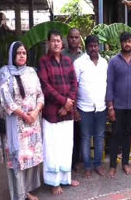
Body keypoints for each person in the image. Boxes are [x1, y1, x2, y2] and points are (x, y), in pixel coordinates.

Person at [0, 41, 44, 200]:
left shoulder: (31, 72)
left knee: (28, 159)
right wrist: (25, 115)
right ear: (12, 55)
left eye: (24, 53)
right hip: (15, 125)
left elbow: (40, 95)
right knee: (16, 160)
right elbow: (6, 100)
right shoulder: (4, 73)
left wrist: (36, 111)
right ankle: (18, 195)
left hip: (32, 123)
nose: (22, 55)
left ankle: (26, 192)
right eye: (18, 53)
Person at [37, 30, 79, 195]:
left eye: (58, 41)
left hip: (67, 113)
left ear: (62, 44)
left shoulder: (68, 61)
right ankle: (54, 183)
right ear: (48, 43)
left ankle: (65, 179)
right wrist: (64, 102)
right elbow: (45, 86)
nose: (56, 43)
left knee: (65, 146)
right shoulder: (44, 61)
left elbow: (74, 83)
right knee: (52, 147)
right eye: (53, 41)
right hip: (52, 113)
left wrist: (68, 104)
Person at [106, 32, 131, 178]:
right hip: (117, 106)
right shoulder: (114, 61)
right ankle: (113, 165)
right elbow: (110, 84)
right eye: (124, 42)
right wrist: (110, 107)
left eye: (129, 41)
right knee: (115, 136)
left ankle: (125, 163)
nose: (127, 44)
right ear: (120, 43)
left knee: (127, 135)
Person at [74, 35, 107, 179]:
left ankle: (98, 165)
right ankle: (87, 166)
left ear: (98, 46)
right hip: (84, 107)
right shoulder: (79, 63)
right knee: (86, 137)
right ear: (86, 46)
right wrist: (74, 108)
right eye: (91, 46)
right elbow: (74, 86)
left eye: (95, 45)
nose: (93, 48)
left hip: (101, 107)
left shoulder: (105, 63)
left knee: (99, 137)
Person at [61, 28, 84, 172]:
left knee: (77, 133)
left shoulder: (84, 57)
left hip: (79, 100)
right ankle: (65, 161)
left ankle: (75, 161)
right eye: (71, 37)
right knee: (64, 134)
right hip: (64, 99)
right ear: (67, 39)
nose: (74, 40)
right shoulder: (62, 55)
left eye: (76, 37)